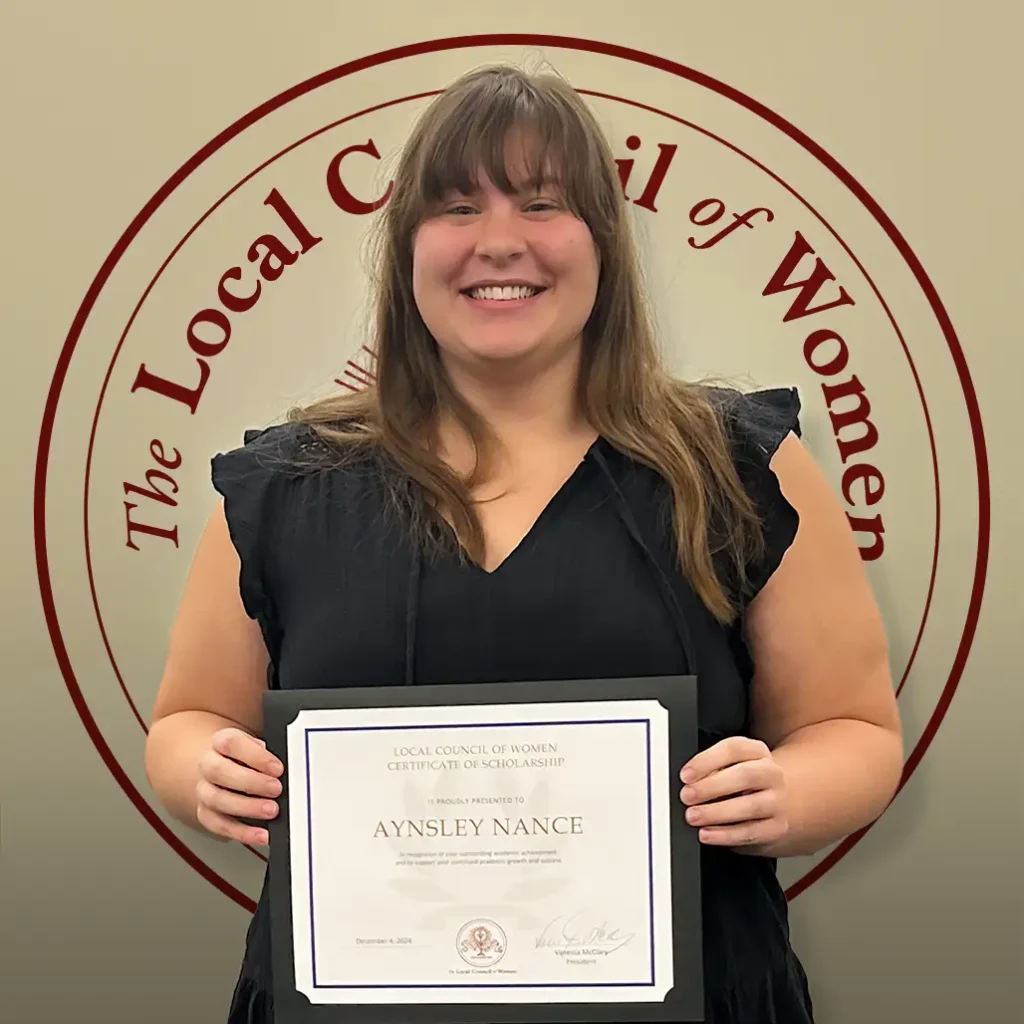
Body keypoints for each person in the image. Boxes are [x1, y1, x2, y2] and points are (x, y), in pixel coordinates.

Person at [144, 64, 904, 1023]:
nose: (499, 240)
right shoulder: (285, 488)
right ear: (406, 250)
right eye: (457, 206)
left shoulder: (741, 467)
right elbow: (182, 726)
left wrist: (786, 792)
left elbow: (857, 734)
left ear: (604, 245)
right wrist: (207, 768)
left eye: (543, 202)